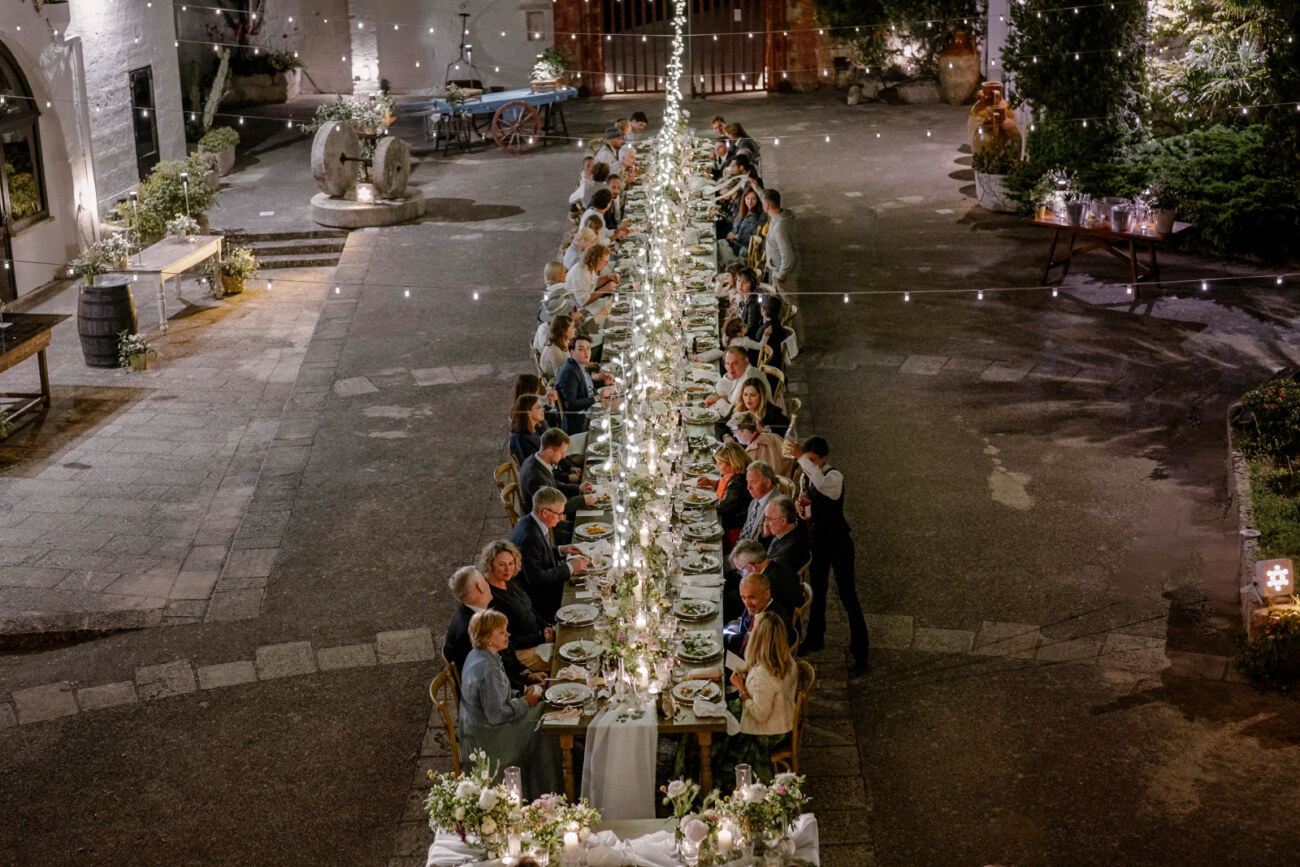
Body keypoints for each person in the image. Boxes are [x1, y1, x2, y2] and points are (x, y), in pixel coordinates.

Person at [458, 609, 562, 798]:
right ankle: (545, 788)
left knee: (541, 710)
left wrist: (521, 693)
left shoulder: (478, 654)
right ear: (488, 638)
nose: (508, 635)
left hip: (476, 728)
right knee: (543, 720)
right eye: (502, 632)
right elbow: (496, 715)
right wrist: (524, 702)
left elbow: (495, 695)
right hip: (488, 738)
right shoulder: (488, 668)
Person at [789, 436, 869, 673]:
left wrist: (801, 459)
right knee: (819, 591)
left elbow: (823, 486)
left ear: (824, 459)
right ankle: (815, 637)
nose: (809, 464)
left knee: (848, 596)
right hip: (818, 541)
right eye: (808, 460)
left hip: (839, 543)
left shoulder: (834, 477)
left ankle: (860, 651)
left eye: (813, 460)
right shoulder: (807, 476)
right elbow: (809, 495)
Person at [442, 565, 542, 691]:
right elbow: (493, 679)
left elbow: (507, 653)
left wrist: (528, 674)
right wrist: (526, 688)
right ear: (480, 586)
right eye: (484, 580)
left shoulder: (479, 612)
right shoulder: (471, 631)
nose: (488, 583)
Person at [509, 487, 589, 621]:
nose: (561, 518)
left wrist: (560, 550)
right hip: (543, 599)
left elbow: (538, 553)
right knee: (587, 599)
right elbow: (536, 579)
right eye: (559, 514)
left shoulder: (530, 521)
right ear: (545, 512)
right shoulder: (530, 537)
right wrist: (570, 567)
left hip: (547, 587)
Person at [479, 540, 555, 672]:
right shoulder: (491, 597)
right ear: (490, 565)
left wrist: (545, 626)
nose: (508, 569)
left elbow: (529, 607)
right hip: (521, 653)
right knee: (565, 657)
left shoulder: (510, 581)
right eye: (502, 565)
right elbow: (509, 639)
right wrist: (542, 638)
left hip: (538, 638)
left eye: (511, 563)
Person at [730, 610, 797, 744]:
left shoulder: (763, 675)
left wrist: (741, 689)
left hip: (767, 735)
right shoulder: (788, 659)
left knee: (719, 729)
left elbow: (759, 716)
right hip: (784, 721)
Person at [519, 427, 596, 526]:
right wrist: (582, 500)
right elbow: (554, 507)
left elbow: (554, 485)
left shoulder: (535, 459)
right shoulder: (536, 478)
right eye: (561, 453)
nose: (564, 456)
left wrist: (578, 488)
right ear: (550, 451)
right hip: (544, 525)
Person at [723, 571, 794, 656]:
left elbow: (762, 654)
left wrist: (727, 639)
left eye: (751, 597)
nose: (747, 603)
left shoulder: (773, 621)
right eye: (743, 597)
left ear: (767, 594)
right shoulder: (757, 605)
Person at [696, 441, 752, 548]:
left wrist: (706, 500)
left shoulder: (739, 483)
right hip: (729, 524)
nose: (717, 467)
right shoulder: (737, 475)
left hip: (733, 532)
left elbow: (722, 508)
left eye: (720, 463)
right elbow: (727, 488)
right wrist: (713, 483)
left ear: (732, 464)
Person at [555, 336, 613, 434]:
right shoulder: (570, 373)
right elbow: (571, 405)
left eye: (588, 348)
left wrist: (603, 382)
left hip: (589, 409)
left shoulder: (579, 364)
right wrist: (598, 397)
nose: (586, 353)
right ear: (572, 352)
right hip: (580, 422)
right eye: (581, 349)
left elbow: (585, 384)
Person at [730, 538, 802, 615]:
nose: (741, 575)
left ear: (751, 567)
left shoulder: (768, 582)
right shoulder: (776, 562)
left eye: (741, 570)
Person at [729, 411, 791, 477]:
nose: (734, 436)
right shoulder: (774, 436)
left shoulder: (751, 452)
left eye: (735, 432)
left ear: (745, 431)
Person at [762, 496, 811, 575]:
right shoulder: (784, 531)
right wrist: (766, 536)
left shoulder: (791, 549)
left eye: (769, 519)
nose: (766, 523)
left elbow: (772, 575)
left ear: (783, 521)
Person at [763, 190, 800, 295]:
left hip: (782, 273)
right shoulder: (781, 215)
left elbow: (788, 257)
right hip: (778, 269)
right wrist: (756, 187)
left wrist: (781, 277)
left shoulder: (779, 228)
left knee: (790, 305)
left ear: (766, 206)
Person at [566, 244, 618, 311]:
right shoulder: (580, 273)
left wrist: (607, 277)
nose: (606, 264)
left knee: (611, 305)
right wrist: (605, 289)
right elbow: (583, 302)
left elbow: (593, 283)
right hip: (578, 311)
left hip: (587, 306)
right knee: (611, 308)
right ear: (597, 259)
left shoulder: (590, 266)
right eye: (605, 262)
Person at [737, 459, 779, 544]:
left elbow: (771, 545)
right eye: (748, 482)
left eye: (753, 482)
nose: (748, 487)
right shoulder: (754, 501)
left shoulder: (776, 507)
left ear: (767, 483)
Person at [538, 314, 575, 380]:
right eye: (572, 327)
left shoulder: (561, 341)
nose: (575, 329)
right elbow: (563, 379)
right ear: (564, 331)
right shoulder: (555, 352)